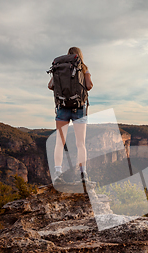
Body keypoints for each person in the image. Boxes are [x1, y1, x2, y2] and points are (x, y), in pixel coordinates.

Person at [48, 46, 94, 183]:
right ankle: (83, 174)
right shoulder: (83, 68)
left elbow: (50, 85)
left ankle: (57, 173)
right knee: (80, 143)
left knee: (59, 143)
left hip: (62, 107)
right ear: (79, 55)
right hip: (78, 108)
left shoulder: (60, 68)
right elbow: (89, 85)